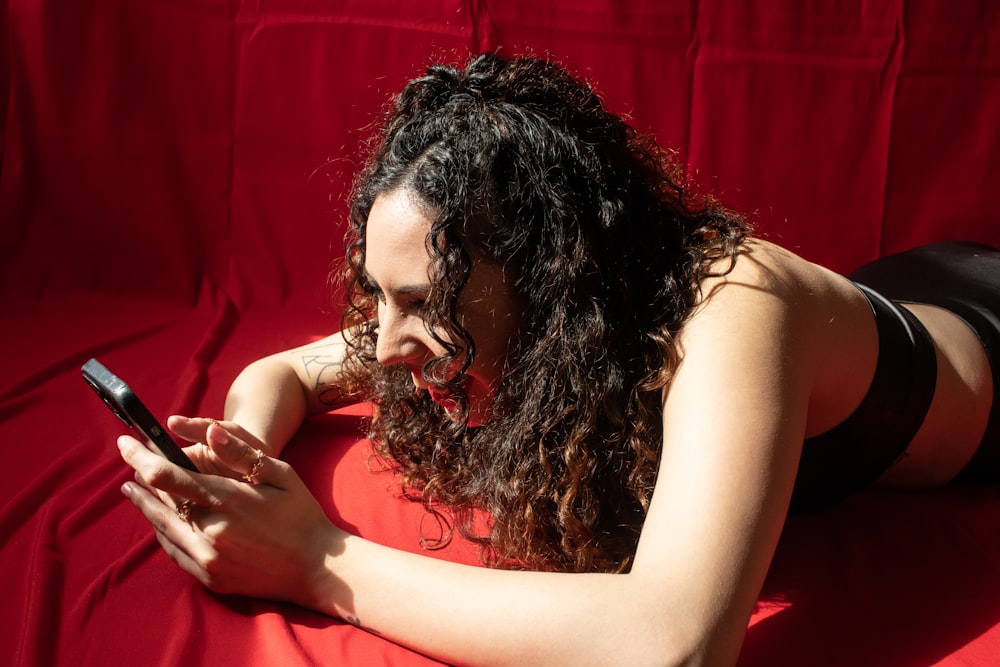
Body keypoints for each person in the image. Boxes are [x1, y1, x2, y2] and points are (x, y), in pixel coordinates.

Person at [117, 53, 1000, 666]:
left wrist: (314, 559)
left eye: (423, 300)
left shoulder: (739, 306)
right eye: (377, 296)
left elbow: (674, 643)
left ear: (545, 276)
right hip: (892, 293)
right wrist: (236, 462)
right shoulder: (544, 316)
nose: (384, 343)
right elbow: (290, 373)